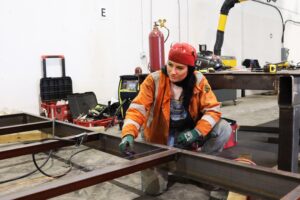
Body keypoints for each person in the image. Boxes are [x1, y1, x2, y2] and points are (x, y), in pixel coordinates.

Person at [119, 42, 232, 195]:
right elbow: (137, 110)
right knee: (153, 190)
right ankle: (168, 164)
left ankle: (200, 168)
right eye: (170, 65)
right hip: (159, 137)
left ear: (190, 69)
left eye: (180, 68)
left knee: (223, 128)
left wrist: (196, 132)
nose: (173, 71)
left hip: (186, 133)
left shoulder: (199, 80)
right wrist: (128, 133)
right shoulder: (154, 80)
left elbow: (212, 109)